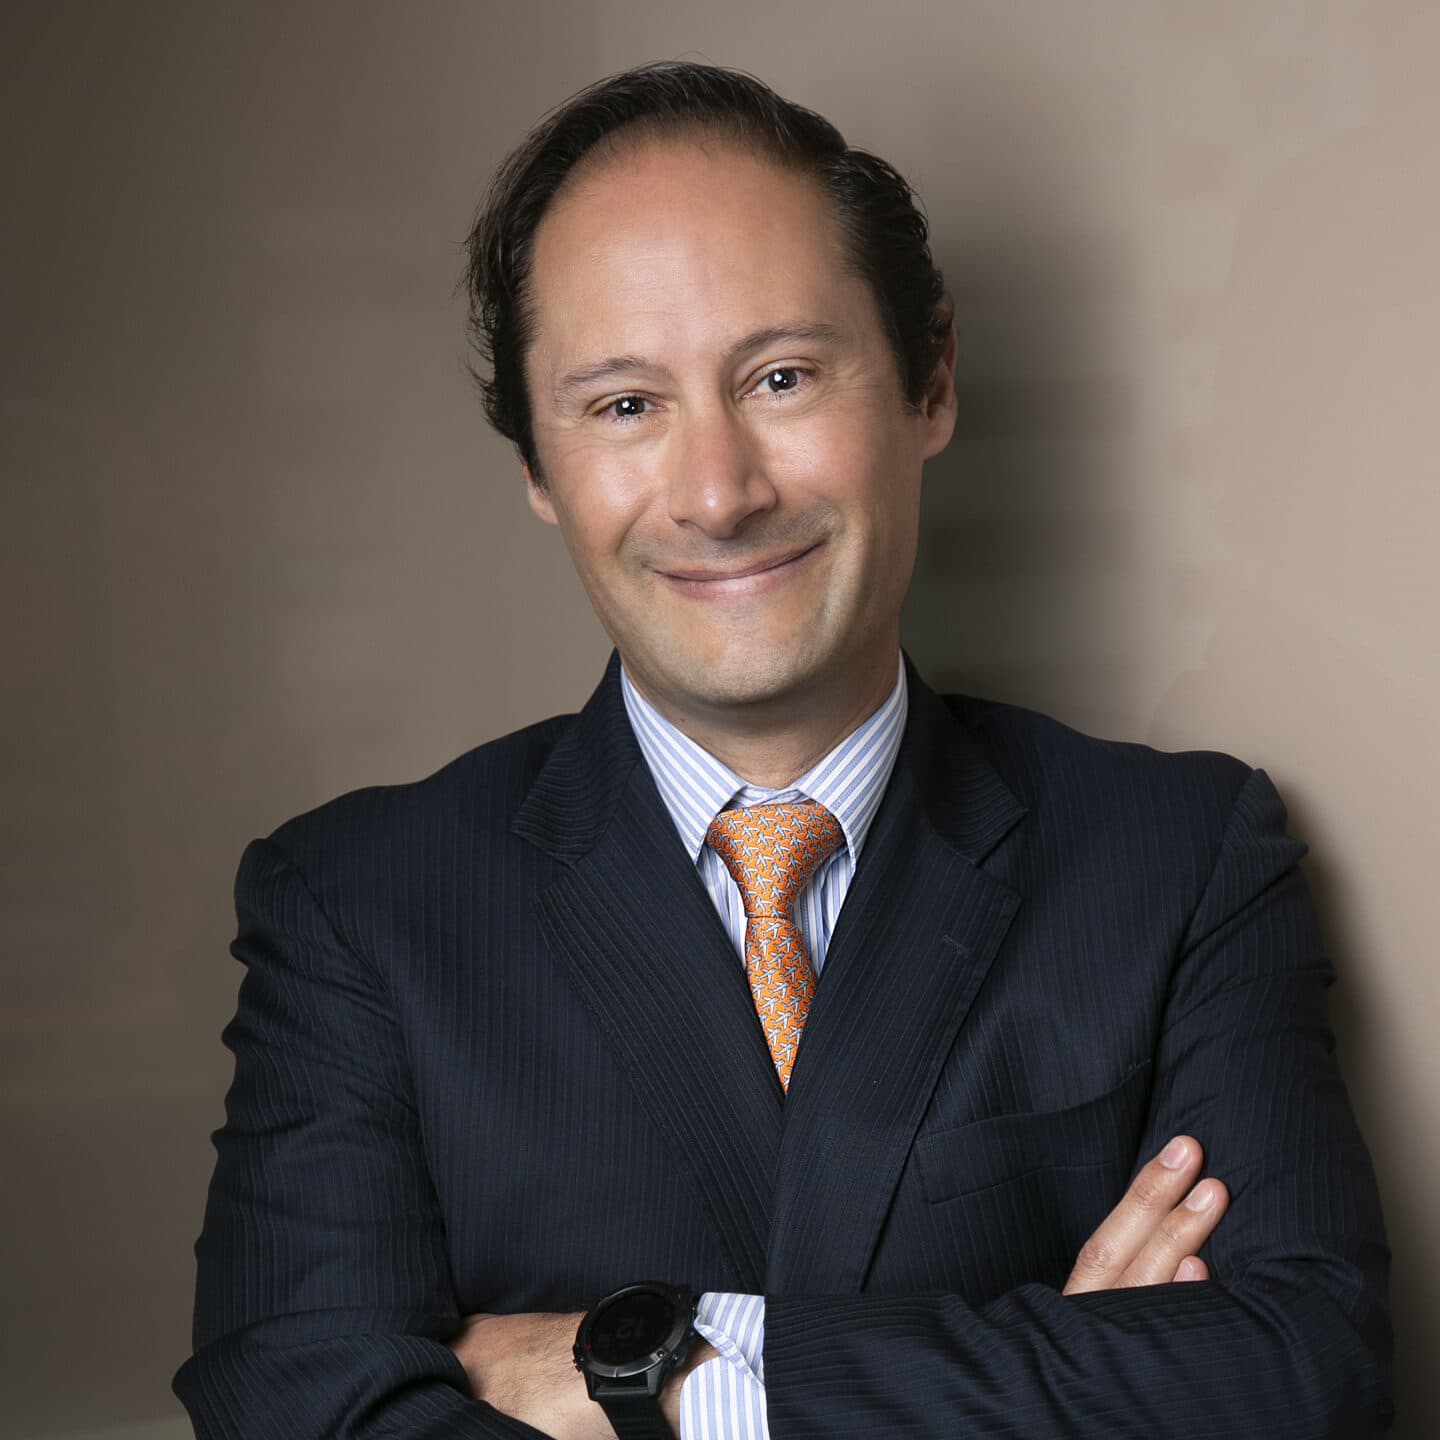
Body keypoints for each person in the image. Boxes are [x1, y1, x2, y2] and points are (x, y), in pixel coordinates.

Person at [175, 62, 1392, 1439]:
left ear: (932, 383)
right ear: (534, 467)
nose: (718, 493)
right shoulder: (358, 907)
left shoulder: (1182, 855)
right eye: (623, 406)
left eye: (782, 377)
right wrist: (1070, 1367)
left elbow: (1305, 1374)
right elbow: (294, 1407)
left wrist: (667, 1375)